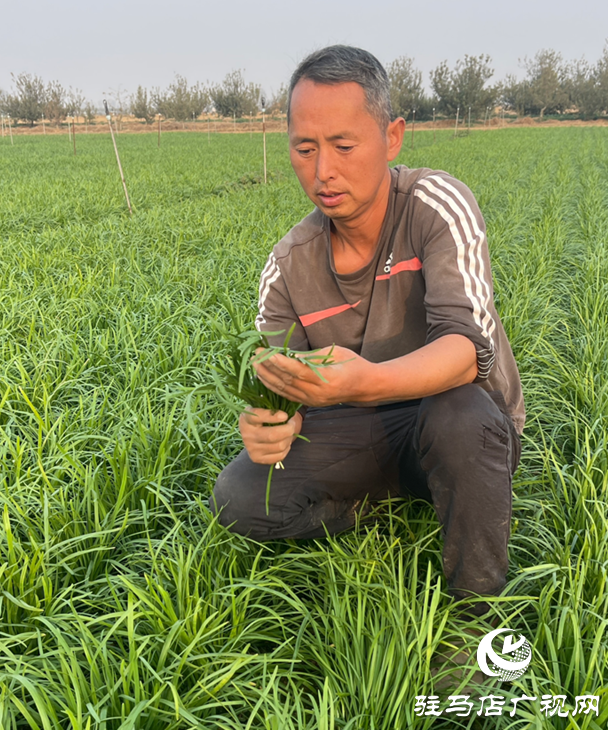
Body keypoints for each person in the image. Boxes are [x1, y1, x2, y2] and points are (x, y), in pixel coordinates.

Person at [209, 45, 524, 611]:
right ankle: (378, 505)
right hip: (366, 431)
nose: (323, 170)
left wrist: (360, 383)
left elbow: (464, 350)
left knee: (460, 413)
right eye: (305, 149)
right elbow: (276, 387)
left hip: (460, 420)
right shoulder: (289, 265)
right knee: (239, 496)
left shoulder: (434, 205)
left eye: (343, 146)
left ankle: (475, 615)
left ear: (392, 137)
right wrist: (267, 425)